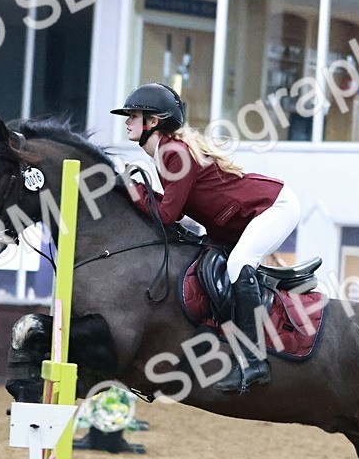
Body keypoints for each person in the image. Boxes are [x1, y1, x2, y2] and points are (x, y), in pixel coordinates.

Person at [111, 83, 301, 393]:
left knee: (239, 264)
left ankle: (254, 362)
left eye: (133, 115)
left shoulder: (174, 152)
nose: (127, 121)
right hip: (239, 220)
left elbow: (168, 214)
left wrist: (132, 188)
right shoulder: (164, 154)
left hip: (272, 206)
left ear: (153, 121)